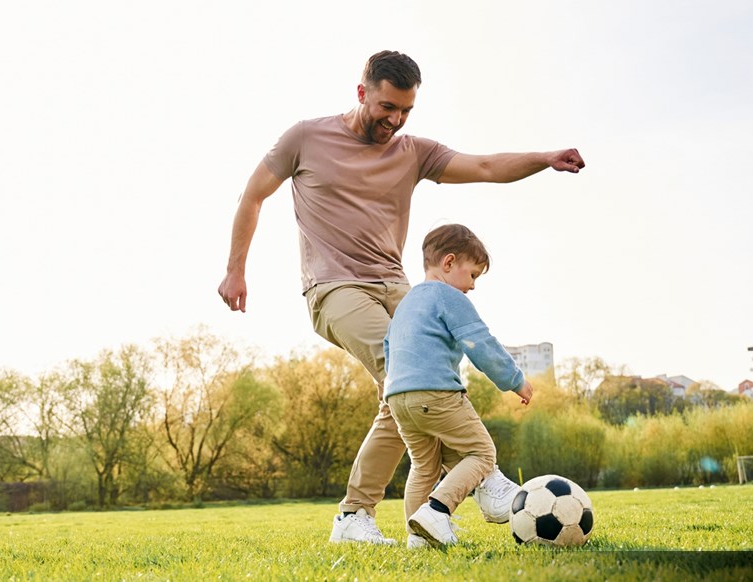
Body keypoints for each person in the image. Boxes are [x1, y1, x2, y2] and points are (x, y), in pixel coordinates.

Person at [217, 50, 584, 545]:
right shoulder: (305, 138)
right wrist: (235, 269)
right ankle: (484, 478)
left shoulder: (412, 152)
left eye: (406, 111)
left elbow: (483, 166)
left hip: (399, 288)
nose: (394, 120)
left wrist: (543, 159)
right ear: (362, 92)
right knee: (406, 378)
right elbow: (253, 194)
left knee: (406, 395)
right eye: (387, 107)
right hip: (335, 286)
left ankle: (365, 517)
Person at [383, 223, 534, 549]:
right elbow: (480, 343)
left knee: (424, 465)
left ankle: (418, 538)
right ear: (449, 263)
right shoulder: (448, 297)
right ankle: (437, 511)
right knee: (481, 453)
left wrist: (395, 390)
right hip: (437, 393)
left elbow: (388, 347)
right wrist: (515, 380)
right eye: (473, 274)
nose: (473, 286)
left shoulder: (406, 303)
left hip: (397, 397)